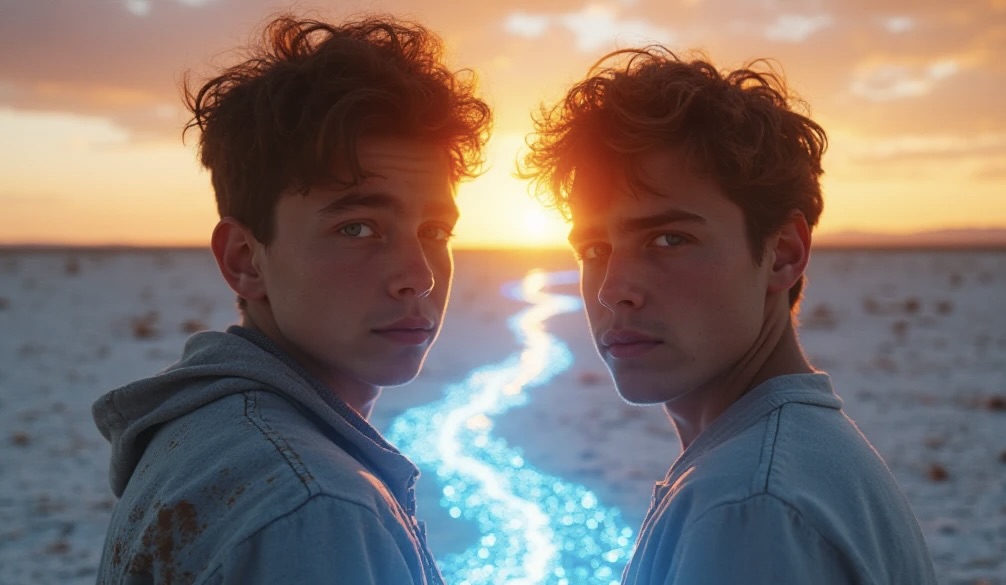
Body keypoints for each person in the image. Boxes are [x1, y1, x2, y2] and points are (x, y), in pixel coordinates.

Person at [92, 14, 490, 584]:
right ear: (244, 260)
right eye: (358, 228)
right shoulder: (316, 507)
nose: (419, 277)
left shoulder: (204, 429)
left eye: (435, 232)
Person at [521, 47, 938, 584]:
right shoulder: (794, 460)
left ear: (783, 252)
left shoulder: (750, 505)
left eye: (670, 239)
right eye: (595, 249)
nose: (613, 290)